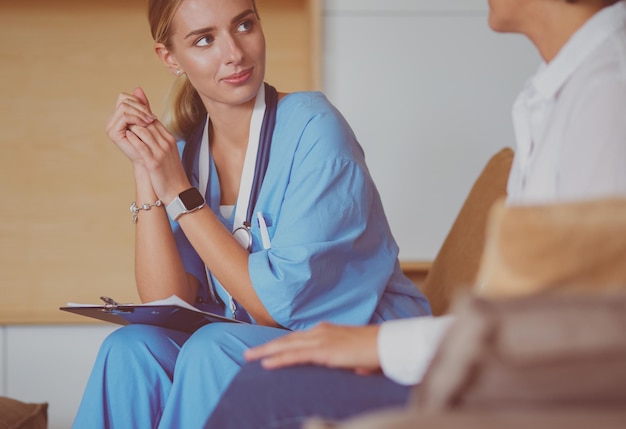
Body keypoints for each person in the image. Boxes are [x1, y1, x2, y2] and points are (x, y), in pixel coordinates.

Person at [206, 0, 626, 427]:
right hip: (495, 354)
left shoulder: (608, 95)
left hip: (529, 378)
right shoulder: (558, 92)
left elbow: (581, 323)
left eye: (243, 25)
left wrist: (384, 346)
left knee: (263, 384)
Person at [71, 0, 431, 427]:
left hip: (360, 351)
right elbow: (167, 300)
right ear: (170, 58)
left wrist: (180, 193)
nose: (234, 53)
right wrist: (148, 168)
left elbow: (272, 311)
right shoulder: (186, 152)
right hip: (258, 342)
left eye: (244, 25)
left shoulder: (315, 129)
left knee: (213, 347)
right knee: (130, 347)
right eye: (204, 39)